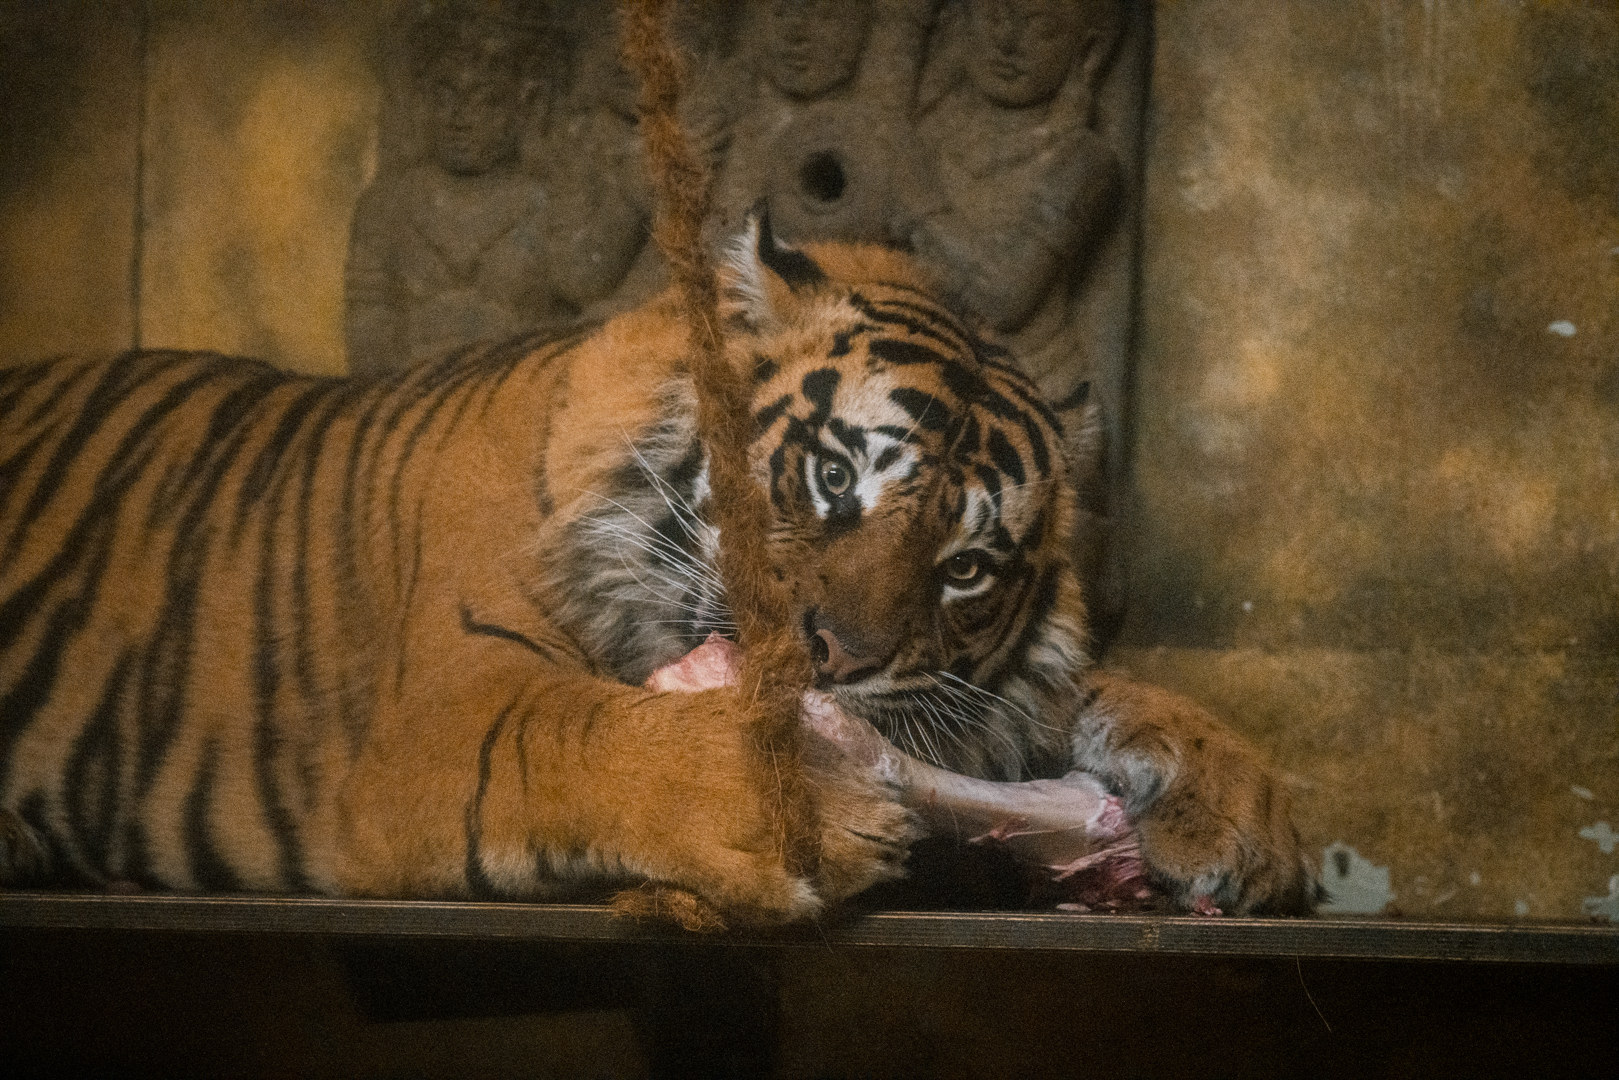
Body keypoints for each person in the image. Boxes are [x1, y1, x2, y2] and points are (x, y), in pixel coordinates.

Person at [895, 0, 1124, 394]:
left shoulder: (1082, 160)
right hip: (916, 378)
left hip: (1030, 393)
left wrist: (921, 210)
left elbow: (1004, 297)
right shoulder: (927, 137)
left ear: (1089, 52)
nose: (1007, 43)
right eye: (995, 16)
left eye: (1040, 28)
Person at [344, 9, 566, 376]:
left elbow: (572, 333)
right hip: (408, 405)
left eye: (485, 100)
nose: (460, 117)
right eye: (446, 97)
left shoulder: (547, 204)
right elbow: (367, 333)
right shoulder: (386, 206)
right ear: (421, 101)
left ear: (525, 106)